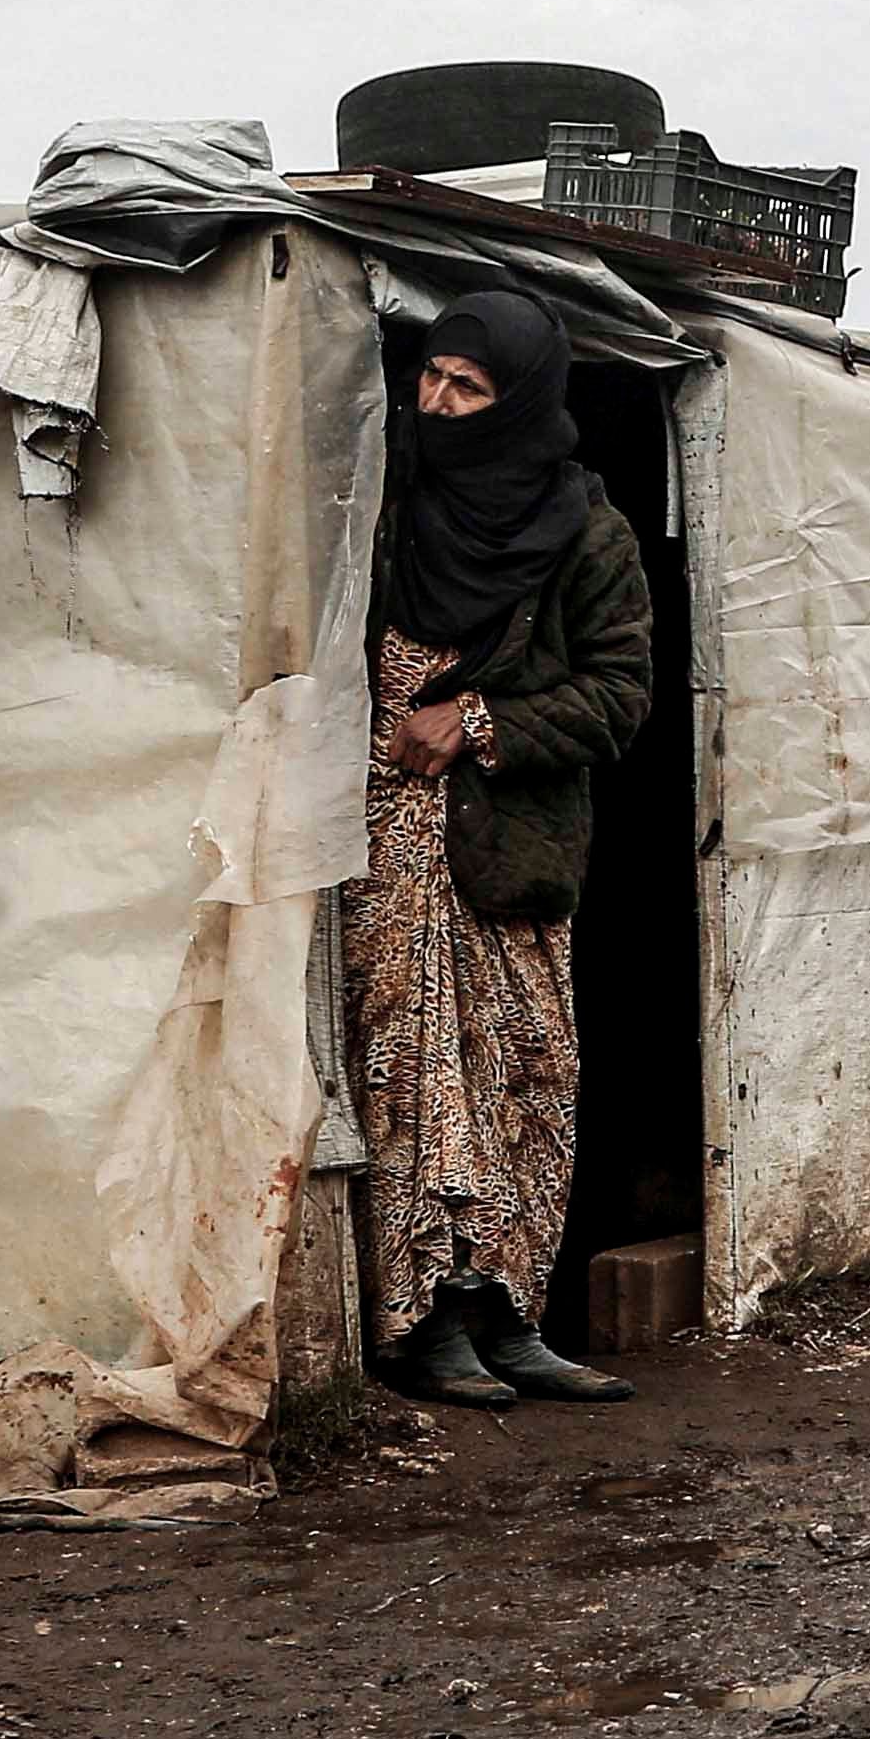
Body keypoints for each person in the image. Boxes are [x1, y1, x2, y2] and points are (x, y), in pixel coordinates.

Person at [352, 288, 657, 1411]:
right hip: (388, 838)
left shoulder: (587, 531)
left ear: (520, 401)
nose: (439, 400)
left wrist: (477, 721)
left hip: (509, 841)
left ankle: (504, 1310)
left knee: (527, 1075)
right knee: (414, 1070)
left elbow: (622, 696)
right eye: (432, 375)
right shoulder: (387, 500)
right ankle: (419, 1319)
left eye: (468, 387)